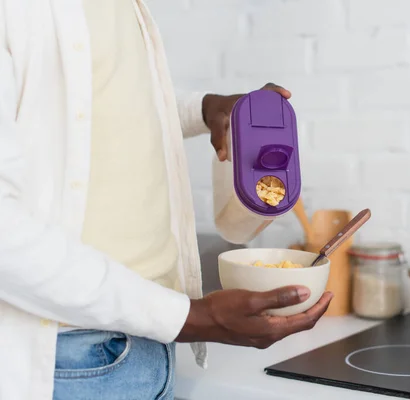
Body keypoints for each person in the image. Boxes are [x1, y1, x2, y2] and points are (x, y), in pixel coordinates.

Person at [0, 1, 333, 399]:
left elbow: (99, 100)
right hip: (72, 359)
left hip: (150, 342)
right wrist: (191, 317)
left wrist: (202, 108)